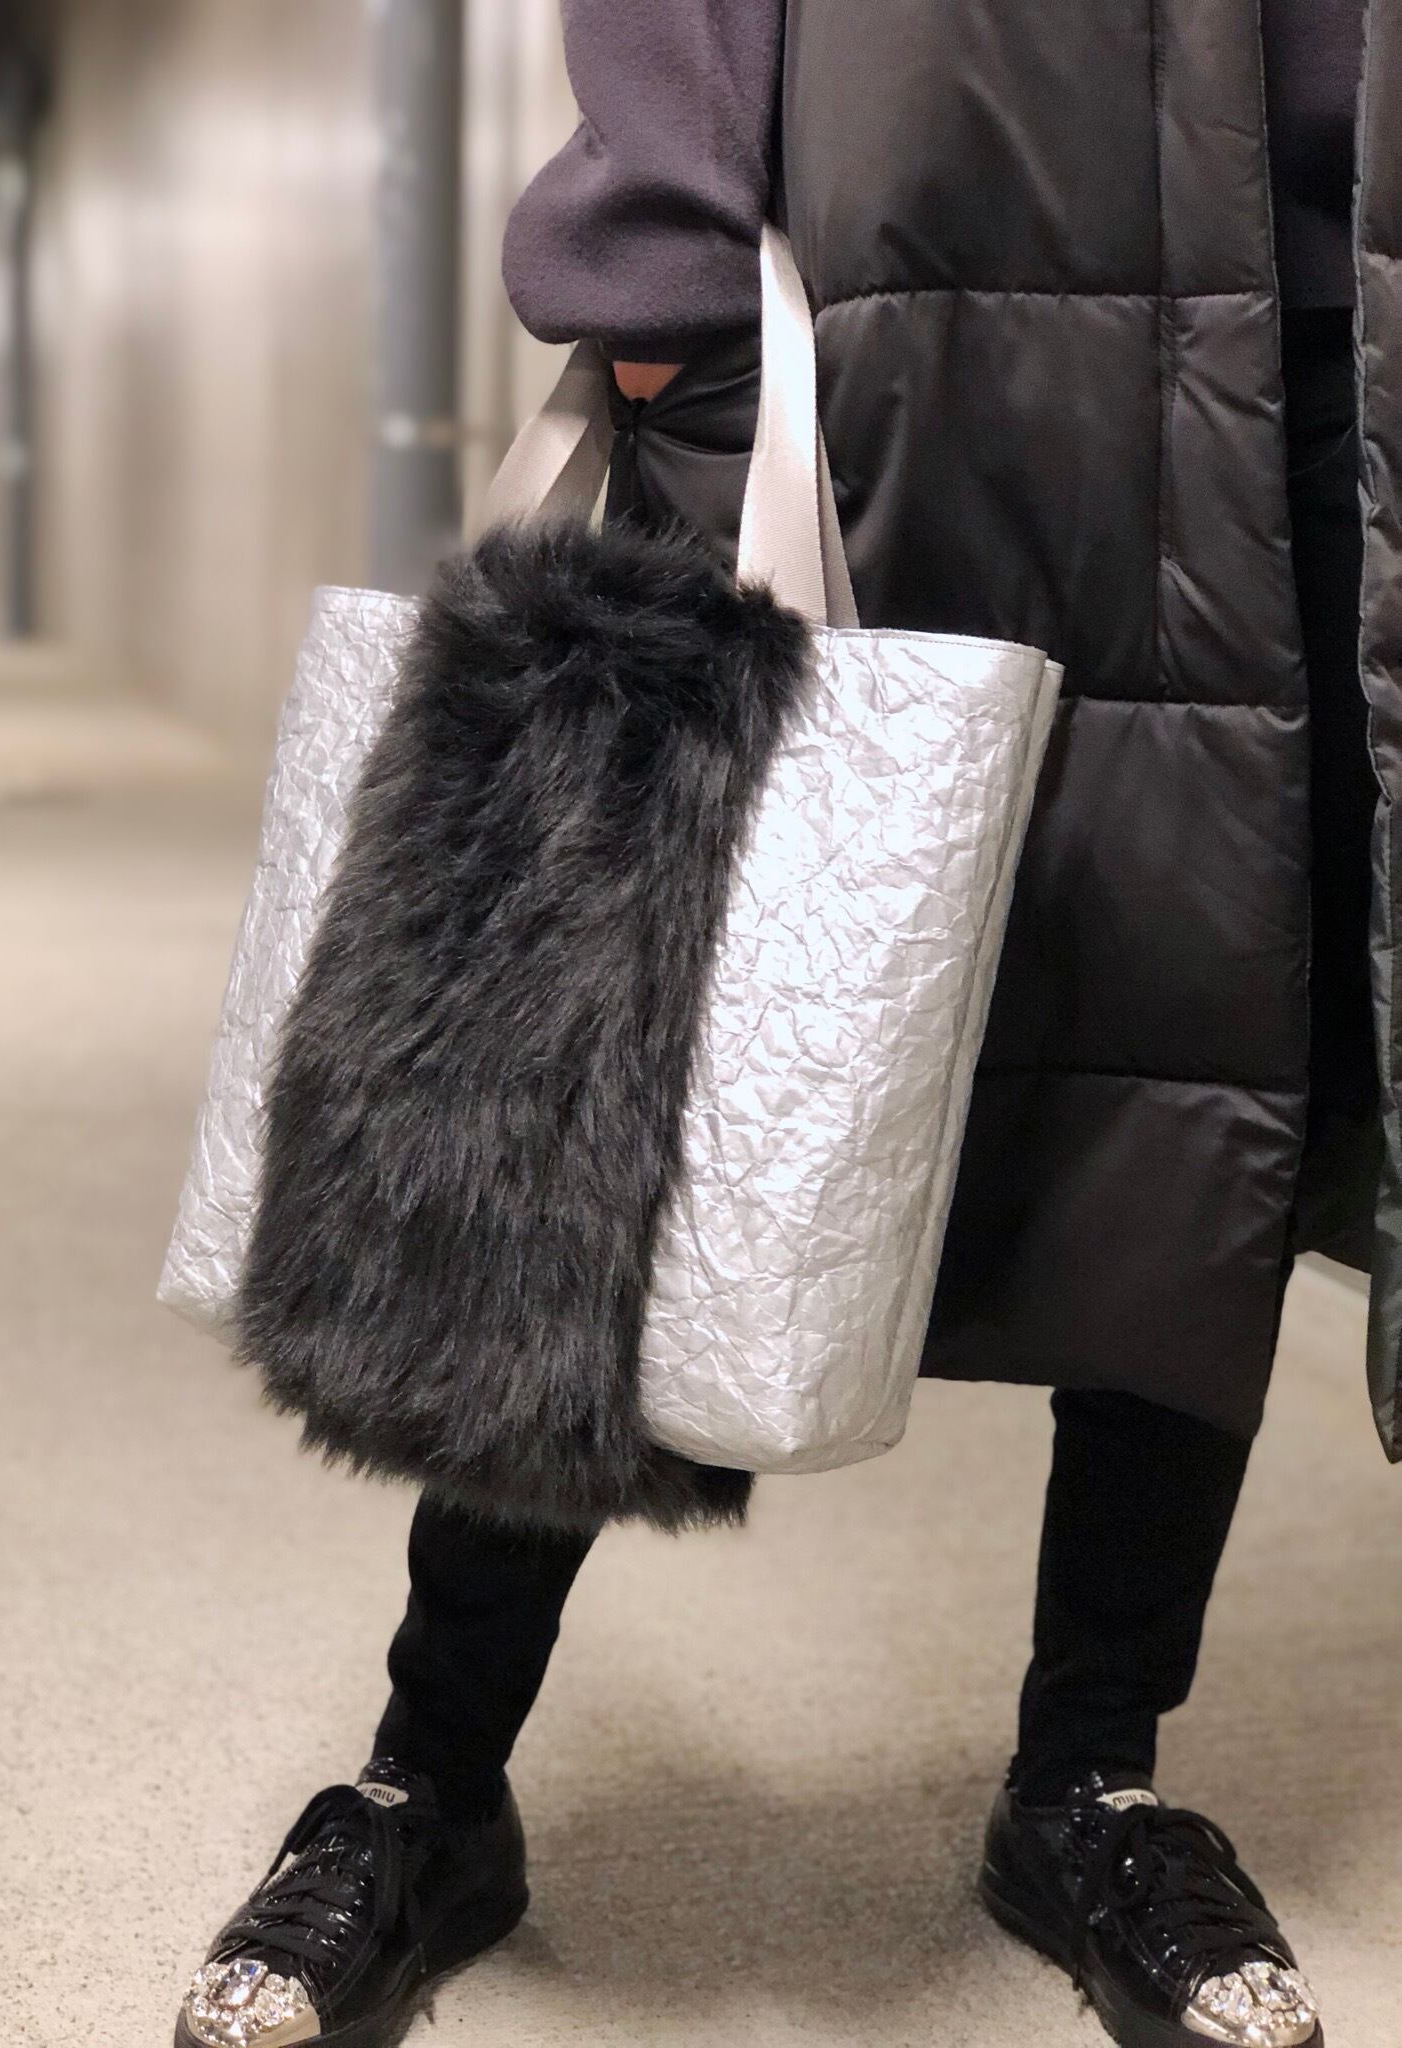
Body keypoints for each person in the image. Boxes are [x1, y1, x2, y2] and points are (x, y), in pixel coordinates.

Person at [175, 4, 1400, 2045]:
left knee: (1199, 1061)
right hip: (890, 298)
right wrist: (666, 272)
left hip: (1301, 337)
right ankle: (429, 1770)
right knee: (639, 1033)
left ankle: (1094, 1780)